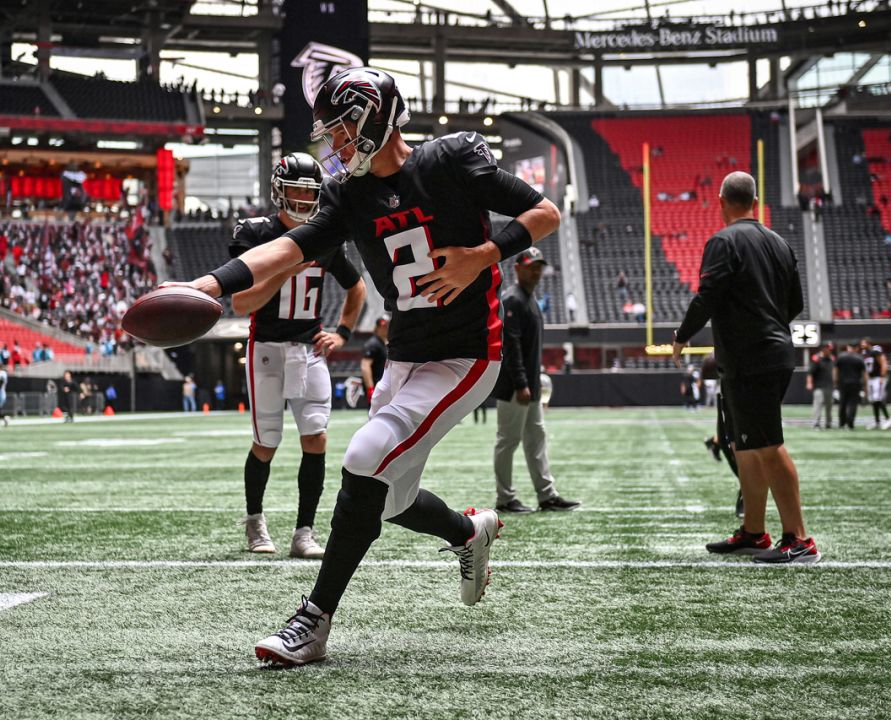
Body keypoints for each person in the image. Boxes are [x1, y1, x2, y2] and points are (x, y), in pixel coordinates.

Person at [165, 67, 560, 666]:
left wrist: (482, 255)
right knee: (391, 501)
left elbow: (545, 213)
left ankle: (313, 620)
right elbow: (288, 249)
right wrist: (208, 285)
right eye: (331, 132)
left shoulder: (451, 159)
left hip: (464, 354)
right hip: (405, 356)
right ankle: (467, 532)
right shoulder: (348, 194)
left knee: (362, 457)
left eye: (343, 127)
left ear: (377, 115)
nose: (336, 143)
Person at [673, 171, 818, 565]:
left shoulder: (723, 241)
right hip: (766, 353)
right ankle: (754, 532)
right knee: (745, 446)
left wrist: (682, 335)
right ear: (754, 200)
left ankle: (800, 539)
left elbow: (708, 295)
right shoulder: (780, 243)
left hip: (751, 358)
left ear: (721, 200)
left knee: (768, 445)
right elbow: (795, 305)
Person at [228, 152, 368, 559]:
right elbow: (240, 303)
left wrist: (341, 332)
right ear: (278, 191)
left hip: (309, 349)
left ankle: (304, 532)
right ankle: (255, 521)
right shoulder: (256, 234)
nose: (303, 201)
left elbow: (356, 287)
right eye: (295, 191)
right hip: (267, 349)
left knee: (316, 438)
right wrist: (283, 269)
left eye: (310, 193)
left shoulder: (322, 237)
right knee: (266, 443)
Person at [491, 247, 581, 514]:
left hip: (528, 386)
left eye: (539, 266)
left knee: (536, 438)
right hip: (515, 387)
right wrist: (521, 383)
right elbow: (512, 346)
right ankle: (505, 499)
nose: (537, 271)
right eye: (531, 266)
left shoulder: (528, 300)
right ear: (517, 268)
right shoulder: (514, 300)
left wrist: (532, 382)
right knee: (508, 441)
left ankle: (547, 495)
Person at [835, 343, 866, 430]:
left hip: (843, 384)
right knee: (853, 404)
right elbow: (864, 374)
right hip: (855, 384)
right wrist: (865, 386)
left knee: (842, 404)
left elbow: (835, 370)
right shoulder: (859, 358)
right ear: (856, 348)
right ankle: (850, 423)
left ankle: (842, 423)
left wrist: (835, 382)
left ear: (848, 347)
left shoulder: (841, 356)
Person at [807, 342, 836, 429]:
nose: (830, 351)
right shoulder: (816, 359)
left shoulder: (832, 359)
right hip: (819, 386)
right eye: (828, 349)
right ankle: (816, 424)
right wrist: (809, 383)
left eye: (831, 349)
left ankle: (828, 423)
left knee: (829, 406)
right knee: (818, 405)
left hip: (829, 386)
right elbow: (810, 373)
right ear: (823, 349)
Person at [360, 317, 388, 403]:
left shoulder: (383, 343)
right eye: (383, 326)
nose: (386, 329)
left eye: (387, 326)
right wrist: (370, 388)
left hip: (382, 385)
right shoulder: (373, 344)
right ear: (378, 328)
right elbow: (365, 366)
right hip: (376, 386)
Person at [865, 344, 891, 429]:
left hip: (878, 379)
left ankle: (888, 419)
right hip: (872, 379)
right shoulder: (870, 355)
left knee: (879, 399)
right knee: (874, 401)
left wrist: (882, 377)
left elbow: (884, 365)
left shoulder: (880, 356)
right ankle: (877, 421)